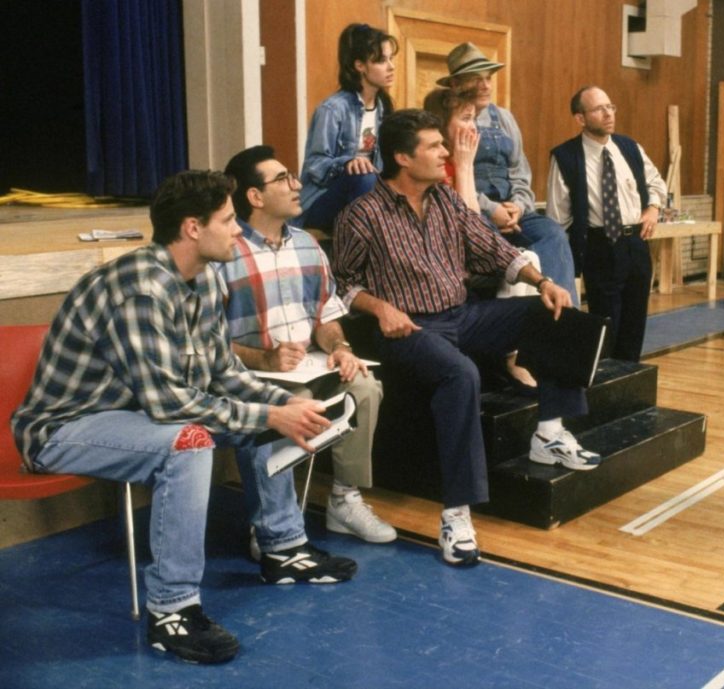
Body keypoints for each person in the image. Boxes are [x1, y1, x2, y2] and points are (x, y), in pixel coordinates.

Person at [10, 171, 357, 664]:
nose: (239, 230)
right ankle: (172, 611)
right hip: (65, 428)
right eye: (228, 220)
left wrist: (283, 405)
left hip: (133, 415)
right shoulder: (141, 290)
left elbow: (223, 373)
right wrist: (269, 414)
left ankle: (282, 550)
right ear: (193, 228)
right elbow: (169, 404)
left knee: (273, 406)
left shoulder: (206, 277)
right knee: (191, 440)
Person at [332, 109, 603, 566]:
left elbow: (494, 248)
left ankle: (550, 431)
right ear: (402, 156)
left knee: (554, 314)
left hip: (462, 314)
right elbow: (341, 283)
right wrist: (380, 308)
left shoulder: (446, 200)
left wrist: (543, 283)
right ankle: (456, 515)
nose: (445, 153)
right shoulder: (362, 214)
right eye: (434, 146)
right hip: (409, 328)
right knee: (462, 375)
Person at [221, 145, 395, 549]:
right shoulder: (225, 252)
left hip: (310, 366)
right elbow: (207, 341)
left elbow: (325, 317)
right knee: (291, 403)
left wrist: (341, 347)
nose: (297, 184)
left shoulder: (307, 245)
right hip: (252, 376)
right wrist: (262, 357)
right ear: (255, 196)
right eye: (283, 178)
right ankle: (271, 525)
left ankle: (344, 501)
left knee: (365, 387)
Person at [438, 42, 579, 306]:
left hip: (515, 210)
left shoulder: (504, 118)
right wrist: (492, 209)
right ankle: (514, 318)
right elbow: (449, 179)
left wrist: (519, 206)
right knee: (489, 241)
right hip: (475, 210)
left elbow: (519, 171)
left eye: (488, 78)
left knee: (552, 233)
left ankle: (562, 313)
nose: (486, 85)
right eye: (476, 79)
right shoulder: (446, 121)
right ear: (456, 84)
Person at [423, 86, 541, 392]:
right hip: (442, 267)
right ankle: (510, 355)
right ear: (441, 125)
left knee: (529, 256)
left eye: (474, 118)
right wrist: (463, 165)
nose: (473, 126)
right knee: (522, 260)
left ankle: (518, 354)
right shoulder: (435, 165)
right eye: (465, 118)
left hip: (467, 254)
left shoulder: (460, 159)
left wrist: (465, 164)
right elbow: (466, 226)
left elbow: (473, 225)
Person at [548, 86, 668, 362]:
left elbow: (655, 182)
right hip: (599, 246)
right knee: (606, 324)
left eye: (610, 107)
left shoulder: (630, 147)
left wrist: (652, 208)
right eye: (599, 109)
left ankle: (629, 381)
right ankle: (605, 382)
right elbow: (558, 217)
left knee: (635, 322)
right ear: (580, 118)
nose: (608, 114)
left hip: (636, 244)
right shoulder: (566, 157)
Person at [297, 23, 397, 230]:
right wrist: (347, 163)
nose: (391, 67)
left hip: (367, 198)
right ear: (359, 65)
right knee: (364, 176)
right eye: (381, 60)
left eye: (390, 59)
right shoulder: (333, 109)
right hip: (323, 200)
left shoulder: (384, 108)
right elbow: (315, 164)